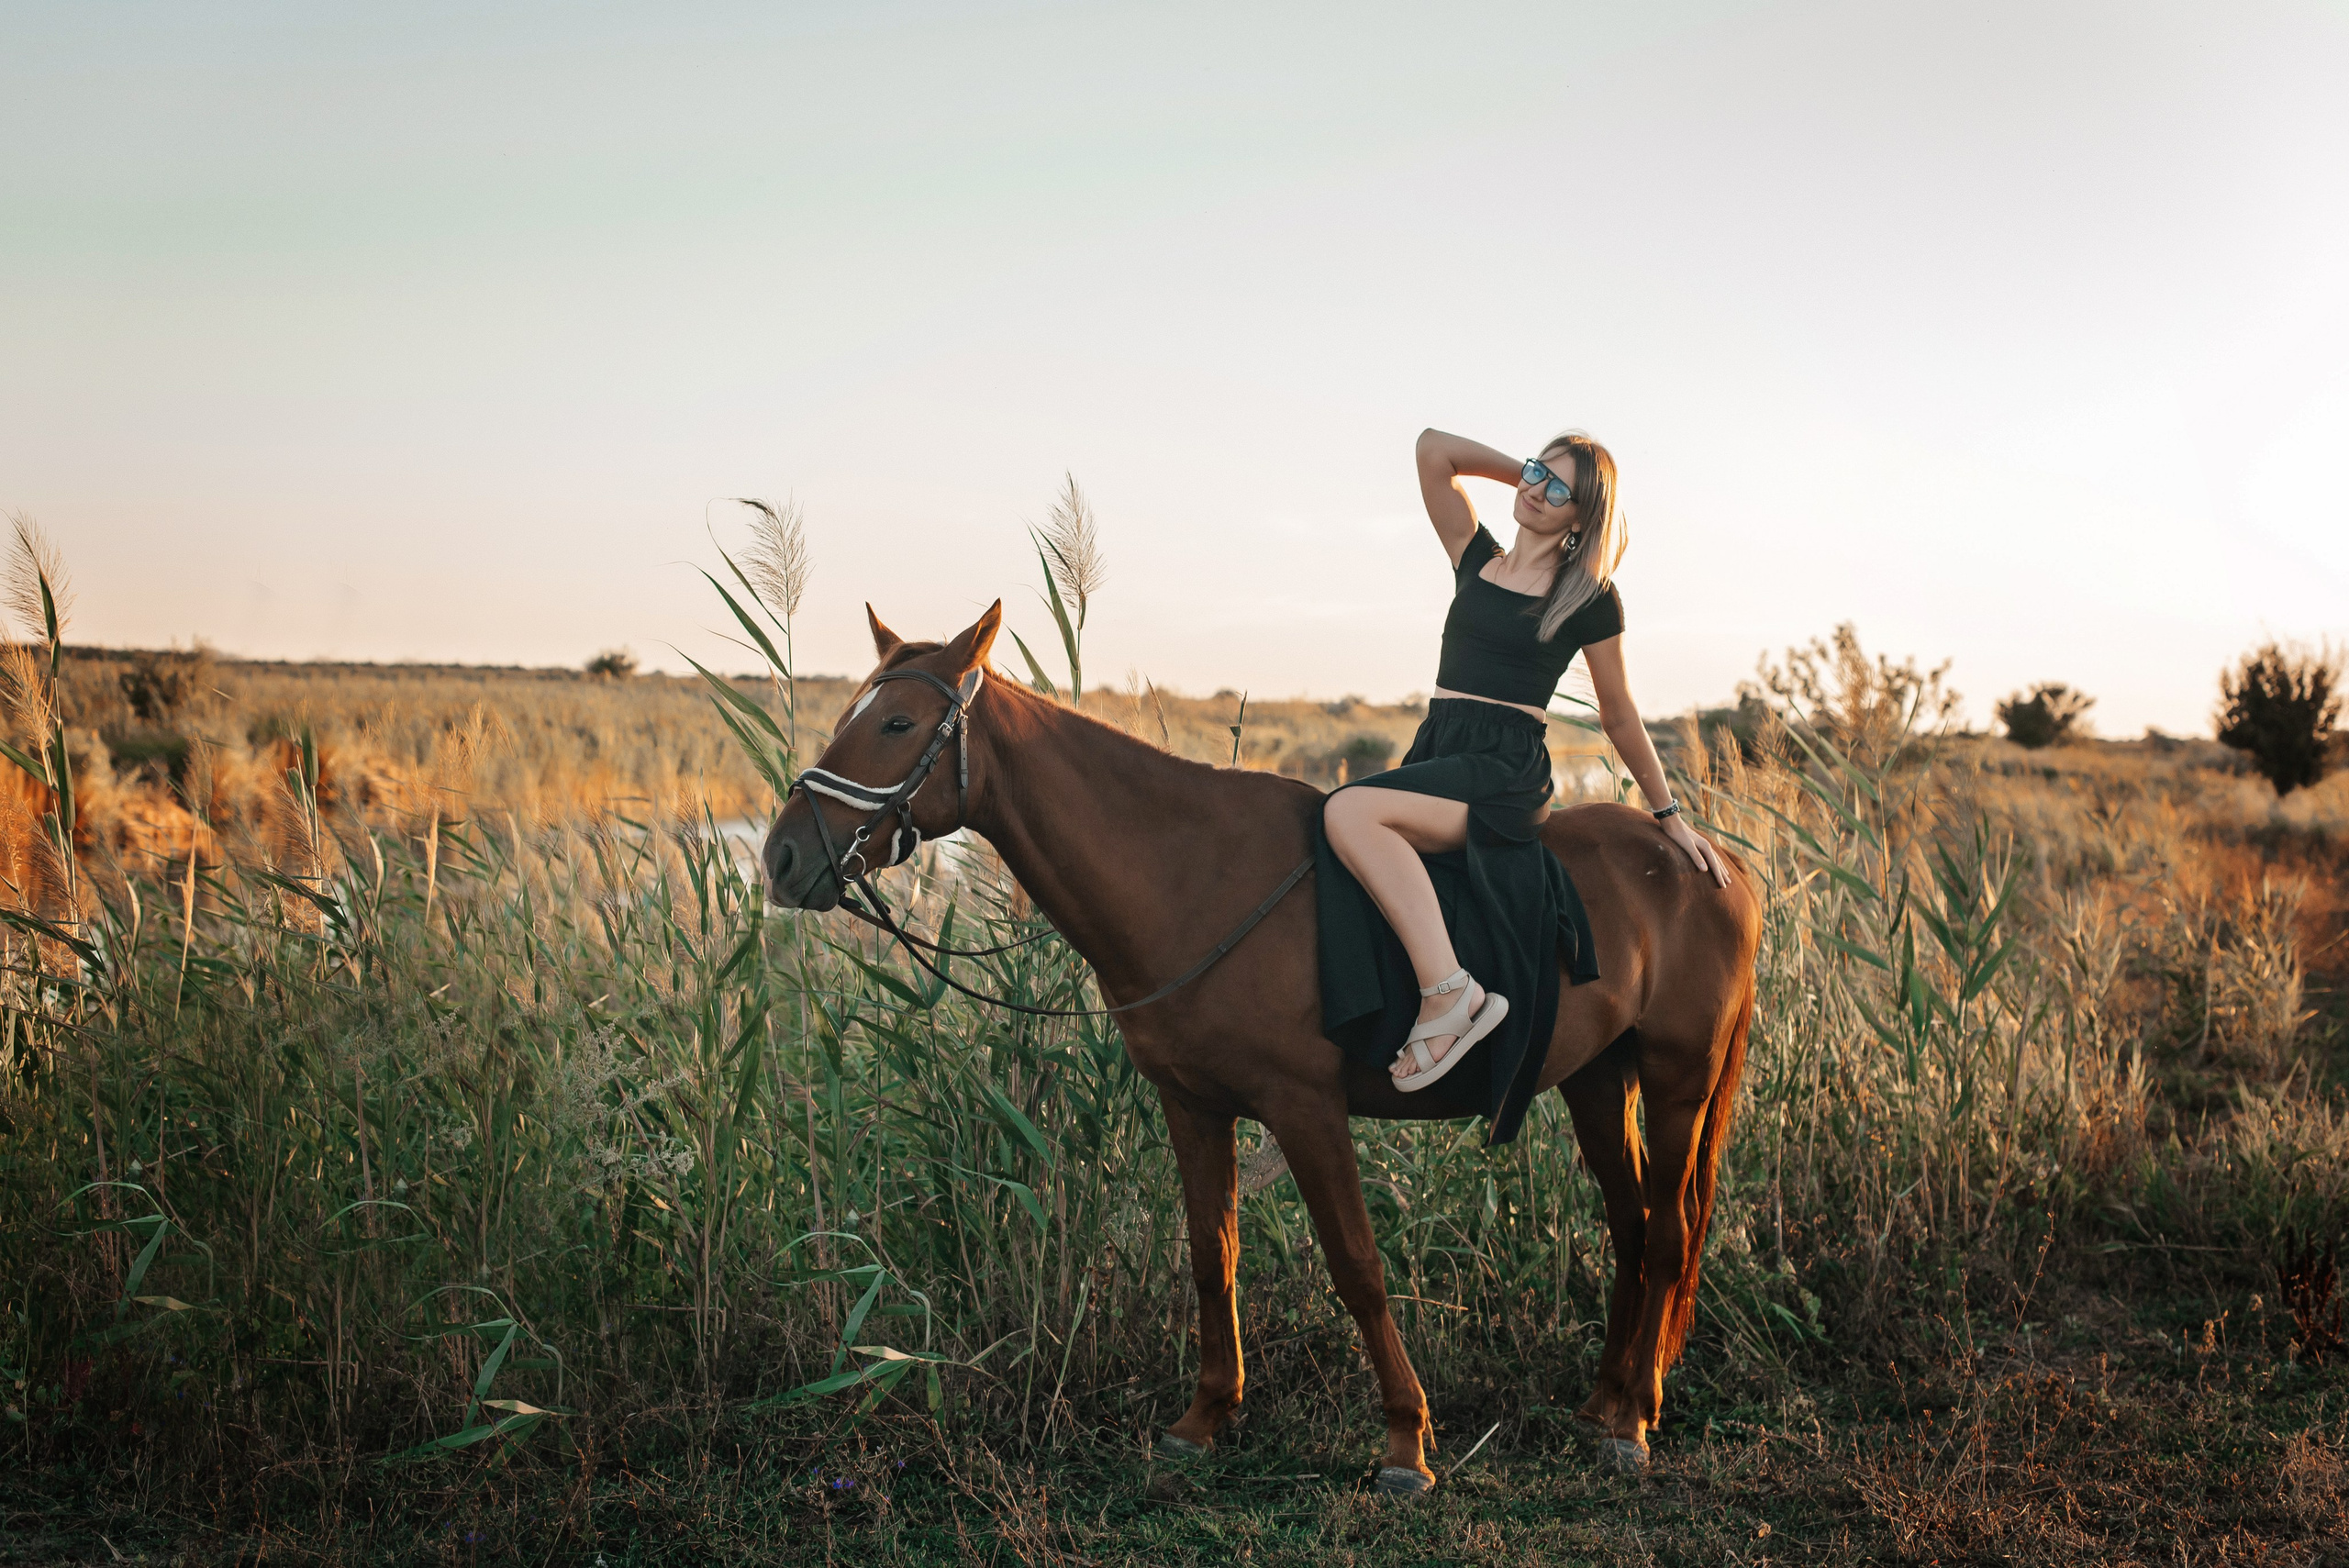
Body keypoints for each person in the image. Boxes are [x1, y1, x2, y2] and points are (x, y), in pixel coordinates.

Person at [1314, 428, 1732, 1141]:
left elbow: (1619, 711)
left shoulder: (1590, 597)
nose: (1535, 491)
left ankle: (1451, 997)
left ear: (1584, 518)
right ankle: (1329, 1049)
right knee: (1328, 835)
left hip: (1503, 773)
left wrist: (1667, 812)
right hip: (1438, 748)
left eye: (1558, 488)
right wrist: (1528, 474)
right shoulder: (1476, 558)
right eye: (1537, 473)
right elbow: (1431, 450)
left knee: (1349, 814)